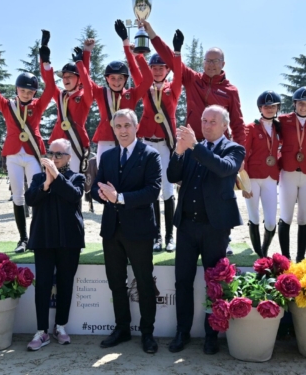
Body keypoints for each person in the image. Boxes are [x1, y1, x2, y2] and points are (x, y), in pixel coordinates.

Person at [167, 105, 244, 354]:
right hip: (187, 226)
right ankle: (182, 332)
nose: (207, 125)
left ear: (224, 125)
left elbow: (222, 168)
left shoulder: (234, 149)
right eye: (204, 120)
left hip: (215, 227)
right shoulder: (190, 148)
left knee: (215, 283)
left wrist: (193, 148)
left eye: (213, 121)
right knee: (182, 282)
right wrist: (178, 153)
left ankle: (212, 334)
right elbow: (171, 176)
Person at [91, 109, 161, 354]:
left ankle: (147, 333)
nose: (122, 130)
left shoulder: (150, 155)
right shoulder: (108, 156)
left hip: (139, 231)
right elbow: (95, 188)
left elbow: (153, 192)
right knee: (116, 282)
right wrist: (101, 194)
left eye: (126, 126)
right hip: (112, 230)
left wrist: (119, 197)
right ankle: (122, 329)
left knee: (143, 283)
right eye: (118, 126)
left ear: (136, 127)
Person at [0, 33, 54, 254]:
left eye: (30, 91)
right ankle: (23, 238)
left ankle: (36, 235)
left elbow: (51, 89)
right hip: (14, 155)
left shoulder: (38, 105)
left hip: (34, 154)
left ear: (34, 92)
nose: (26, 94)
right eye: (23, 90)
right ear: (17, 90)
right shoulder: (8, 106)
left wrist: (46, 63)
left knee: (36, 194)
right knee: (17, 195)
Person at [24, 139, 85, 351]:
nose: (55, 157)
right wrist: (47, 184)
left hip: (69, 240)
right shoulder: (38, 178)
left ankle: (61, 326)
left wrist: (56, 177)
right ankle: (41, 331)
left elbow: (73, 195)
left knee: (66, 283)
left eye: (60, 154)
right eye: (52, 153)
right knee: (42, 284)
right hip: (44, 239)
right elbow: (30, 199)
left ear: (69, 157)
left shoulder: (77, 177)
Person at [142, 20, 245, 145]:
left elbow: (237, 125)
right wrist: (151, 33)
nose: (211, 65)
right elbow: (169, 58)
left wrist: (239, 155)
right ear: (203, 62)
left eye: (215, 61)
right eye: (208, 61)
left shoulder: (231, 91)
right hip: (193, 144)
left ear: (223, 64)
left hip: (219, 146)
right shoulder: (193, 79)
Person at [137, 31, 184, 253]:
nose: (156, 71)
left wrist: (176, 52)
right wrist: (131, 47)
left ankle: (170, 237)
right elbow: (136, 65)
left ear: (167, 70)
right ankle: (155, 236)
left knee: (167, 190)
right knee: (152, 190)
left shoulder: (173, 88)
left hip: (166, 144)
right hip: (146, 143)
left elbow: (180, 72)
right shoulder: (145, 87)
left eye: (161, 68)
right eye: (153, 68)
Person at [83, 24, 148, 164]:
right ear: (106, 79)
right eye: (112, 78)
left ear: (126, 79)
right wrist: (86, 53)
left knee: (128, 177)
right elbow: (85, 78)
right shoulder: (100, 92)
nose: (116, 82)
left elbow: (148, 80)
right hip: (106, 140)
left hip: (127, 139)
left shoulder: (132, 94)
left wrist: (135, 54)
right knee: (104, 177)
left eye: (120, 78)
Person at [277, 86, 306, 262]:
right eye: (300, 103)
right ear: (295, 104)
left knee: (304, 217)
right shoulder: (282, 120)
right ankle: (285, 258)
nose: (303, 107)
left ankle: (301, 257)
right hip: (288, 172)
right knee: (286, 215)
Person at [243, 91, 281, 258]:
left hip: (271, 176)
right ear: (260, 108)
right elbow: (243, 152)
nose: (270, 109)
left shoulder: (279, 127)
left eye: (273, 106)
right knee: (254, 216)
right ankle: (260, 253)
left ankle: (265, 248)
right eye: (266, 106)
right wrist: (243, 181)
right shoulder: (251, 127)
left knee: (271, 221)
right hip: (252, 176)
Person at [47, 36, 92, 173]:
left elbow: (86, 79)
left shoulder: (85, 95)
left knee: (74, 178)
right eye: (64, 77)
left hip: (75, 142)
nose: (65, 79)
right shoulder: (60, 95)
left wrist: (84, 56)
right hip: (58, 143)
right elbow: (49, 82)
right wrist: (45, 62)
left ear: (78, 79)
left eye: (69, 76)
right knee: (53, 179)